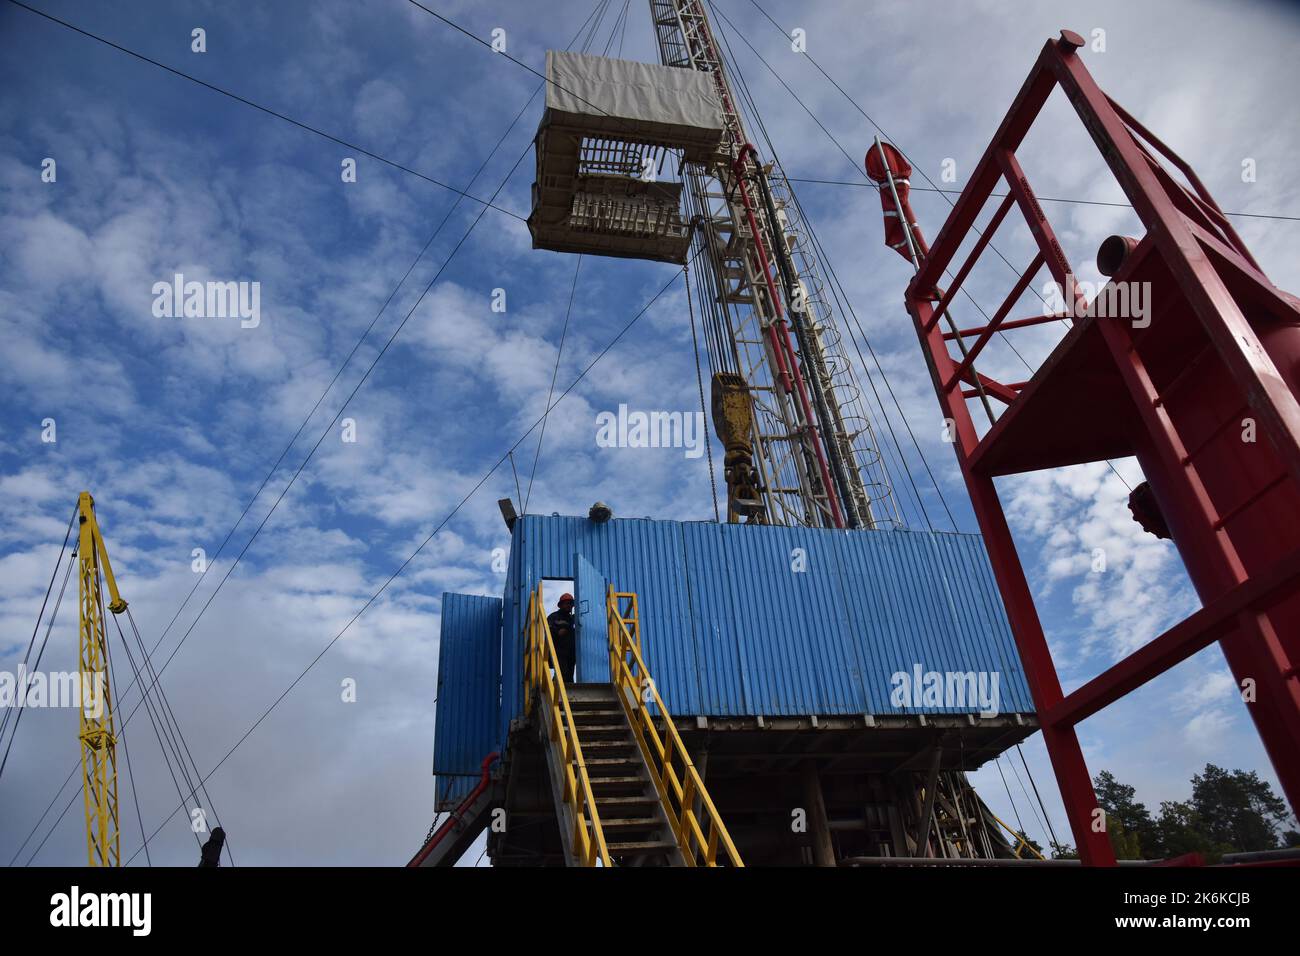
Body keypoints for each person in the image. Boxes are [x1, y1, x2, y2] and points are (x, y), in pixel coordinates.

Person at [547, 593, 577, 683]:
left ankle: (567, 694)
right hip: (558, 651)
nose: (569, 605)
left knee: (570, 675)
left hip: (571, 652)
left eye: (570, 603)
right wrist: (568, 626)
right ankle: (555, 687)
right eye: (566, 603)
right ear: (560, 605)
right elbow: (555, 633)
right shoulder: (553, 617)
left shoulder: (572, 618)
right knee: (563, 674)